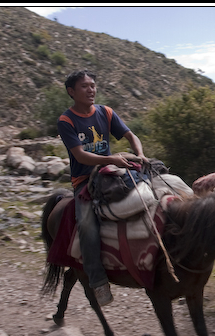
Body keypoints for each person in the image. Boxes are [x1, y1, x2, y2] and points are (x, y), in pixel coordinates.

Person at [57, 69, 148, 306]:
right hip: (85, 180)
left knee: (154, 189)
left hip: (109, 170)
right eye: (85, 86)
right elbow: (81, 155)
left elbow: (130, 135)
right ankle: (98, 282)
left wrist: (139, 154)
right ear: (71, 92)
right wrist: (112, 160)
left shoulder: (105, 112)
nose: (91, 90)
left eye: (93, 85)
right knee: (86, 225)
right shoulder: (66, 120)